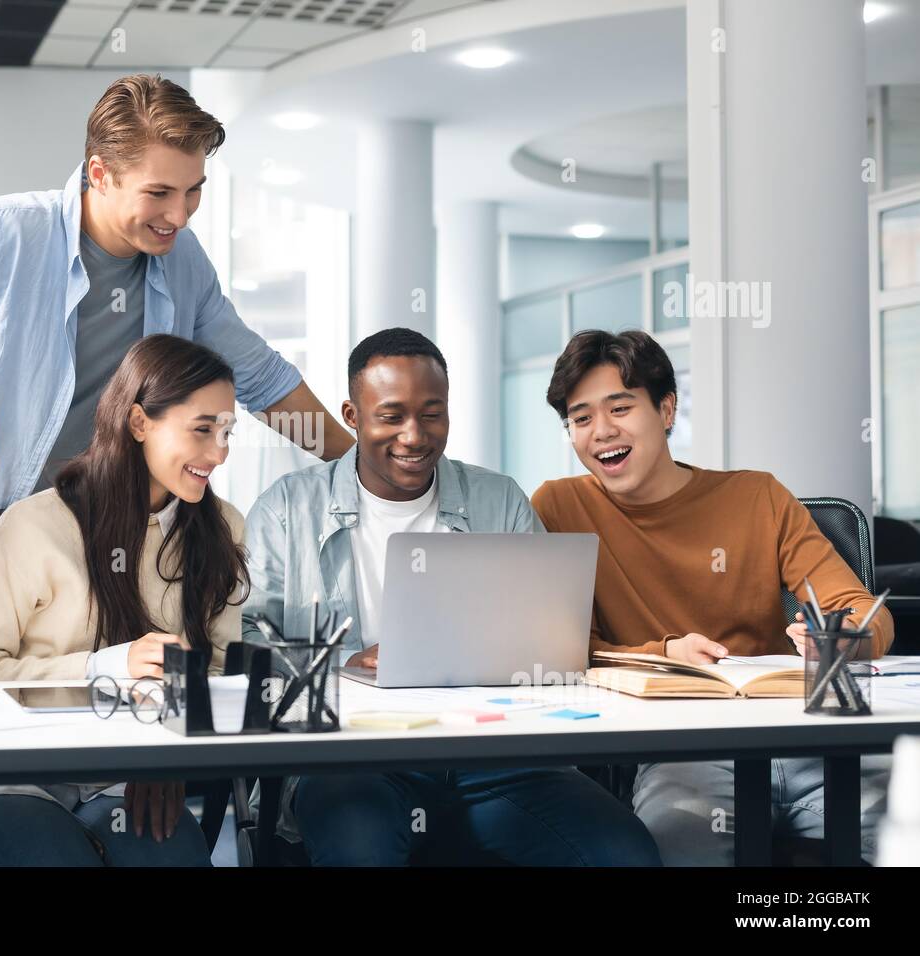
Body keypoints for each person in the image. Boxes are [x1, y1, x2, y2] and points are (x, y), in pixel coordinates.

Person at [0, 73, 353, 527]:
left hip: (83, 539)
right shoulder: (0, 235)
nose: (182, 215)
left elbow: (261, 378)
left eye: (194, 189)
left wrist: (361, 472)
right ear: (100, 174)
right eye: (159, 193)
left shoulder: (182, 259)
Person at [240, 327, 662, 866]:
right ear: (351, 415)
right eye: (391, 416)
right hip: (348, 757)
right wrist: (345, 664)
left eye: (431, 413)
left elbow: (551, 636)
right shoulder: (286, 509)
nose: (414, 436)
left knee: (626, 852)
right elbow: (248, 644)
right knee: (359, 849)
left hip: (492, 753)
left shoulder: (498, 499)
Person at [531, 329, 893, 865]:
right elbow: (558, 647)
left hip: (805, 734)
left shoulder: (756, 496)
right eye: (581, 419)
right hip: (685, 750)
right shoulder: (560, 507)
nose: (601, 431)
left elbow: (867, 611)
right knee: (674, 844)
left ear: (667, 409)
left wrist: (843, 637)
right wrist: (664, 654)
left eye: (621, 408)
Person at [0, 335, 248, 866]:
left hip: (121, 781)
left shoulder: (222, 527)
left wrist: (166, 759)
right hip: (1, 776)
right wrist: (104, 669)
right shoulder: (36, 525)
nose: (219, 452)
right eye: (203, 429)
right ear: (139, 423)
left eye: (227, 431)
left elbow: (219, 675)